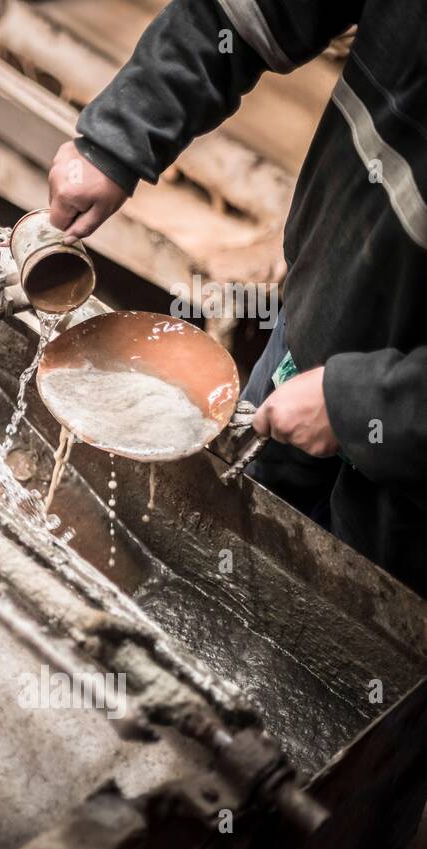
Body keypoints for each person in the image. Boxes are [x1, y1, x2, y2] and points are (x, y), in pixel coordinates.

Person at [46, 0, 426, 597]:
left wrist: (363, 407)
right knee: (210, 559)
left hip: (409, 491)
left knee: (338, 642)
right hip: (307, 339)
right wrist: (118, 136)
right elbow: (244, 16)